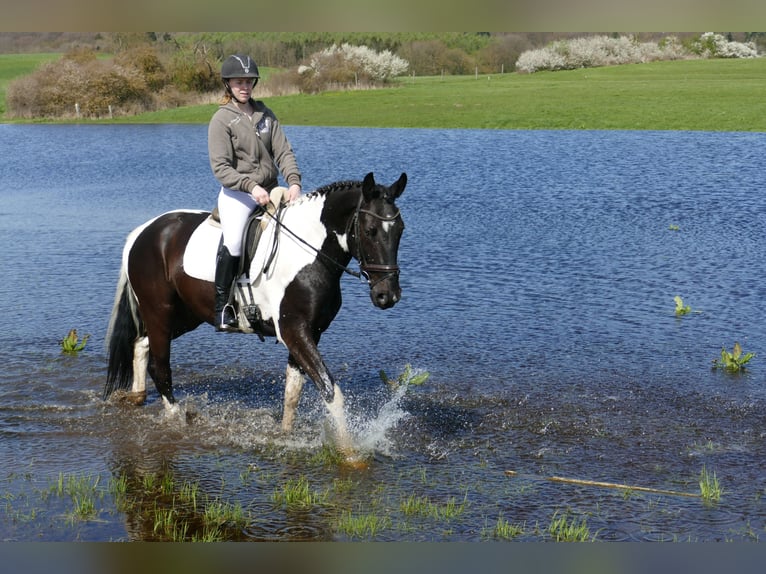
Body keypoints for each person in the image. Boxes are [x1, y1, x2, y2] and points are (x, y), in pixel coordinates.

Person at [208, 54, 302, 332]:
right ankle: (222, 306)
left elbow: (283, 152)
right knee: (235, 242)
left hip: (271, 189)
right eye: (239, 82)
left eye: (249, 81)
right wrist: (251, 187)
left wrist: (294, 182)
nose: (244, 87)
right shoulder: (221, 120)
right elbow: (221, 168)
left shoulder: (265, 114)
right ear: (228, 84)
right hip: (238, 193)